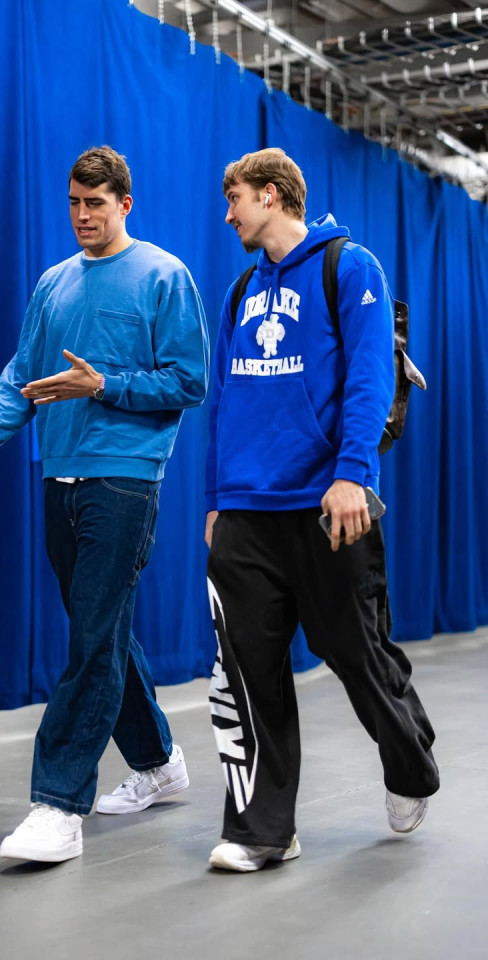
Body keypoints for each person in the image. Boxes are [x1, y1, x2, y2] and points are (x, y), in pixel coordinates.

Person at [0, 146, 209, 863]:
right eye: (74, 204)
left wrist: (104, 385)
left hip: (124, 480)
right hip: (59, 478)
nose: (83, 215)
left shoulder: (164, 275)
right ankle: (158, 764)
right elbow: (20, 379)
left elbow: (189, 381)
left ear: (125, 203)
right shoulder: (53, 283)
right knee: (102, 631)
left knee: (90, 639)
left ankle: (57, 804)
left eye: (96, 203)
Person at [204, 148, 439, 873]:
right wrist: (216, 499)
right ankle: (263, 831)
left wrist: (351, 475)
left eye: (236, 198)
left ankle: (409, 764)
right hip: (247, 510)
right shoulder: (240, 291)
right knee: (249, 673)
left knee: (357, 654)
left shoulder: (350, 267)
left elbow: (370, 376)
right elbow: (224, 400)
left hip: (327, 503)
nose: (228, 214)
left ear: (271, 196)